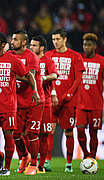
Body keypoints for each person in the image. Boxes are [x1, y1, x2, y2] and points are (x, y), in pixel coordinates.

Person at [0, 32, 38, 176]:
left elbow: (28, 75)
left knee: (9, 136)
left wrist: (35, 92)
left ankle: (6, 168)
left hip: (8, 106)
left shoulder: (12, 60)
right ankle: (0, 156)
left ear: (3, 44)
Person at [45, 29, 85, 172]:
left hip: (68, 102)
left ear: (65, 39)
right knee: (49, 131)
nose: (55, 42)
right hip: (51, 100)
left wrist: (69, 95)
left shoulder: (75, 56)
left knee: (68, 132)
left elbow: (78, 79)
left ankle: (68, 163)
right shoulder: (48, 55)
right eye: (53, 39)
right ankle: (47, 162)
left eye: (58, 39)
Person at [10, 30, 42, 175]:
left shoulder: (32, 57)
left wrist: (12, 72)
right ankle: (24, 156)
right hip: (16, 101)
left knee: (32, 133)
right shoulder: (10, 56)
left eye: (16, 39)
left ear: (24, 42)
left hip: (33, 101)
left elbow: (30, 77)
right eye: (12, 39)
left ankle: (34, 164)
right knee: (15, 133)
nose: (12, 42)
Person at [29, 35, 58, 173]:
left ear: (41, 48)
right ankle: (29, 160)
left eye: (34, 45)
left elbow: (54, 75)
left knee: (44, 134)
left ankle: (41, 165)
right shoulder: (28, 58)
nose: (31, 47)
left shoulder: (47, 60)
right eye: (30, 45)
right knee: (27, 133)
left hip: (44, 101)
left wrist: (43, 77)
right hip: (29, 102)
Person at [76, 33, 103, 159]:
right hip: (80, 103)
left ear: (95, 46)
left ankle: (92, 158)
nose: (86, 47)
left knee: (94, 133)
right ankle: (86, 154)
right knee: (80, 131)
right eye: (84, 45)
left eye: (89, 45)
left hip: (96, 103)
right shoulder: (78, 59)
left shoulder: (102, 61)